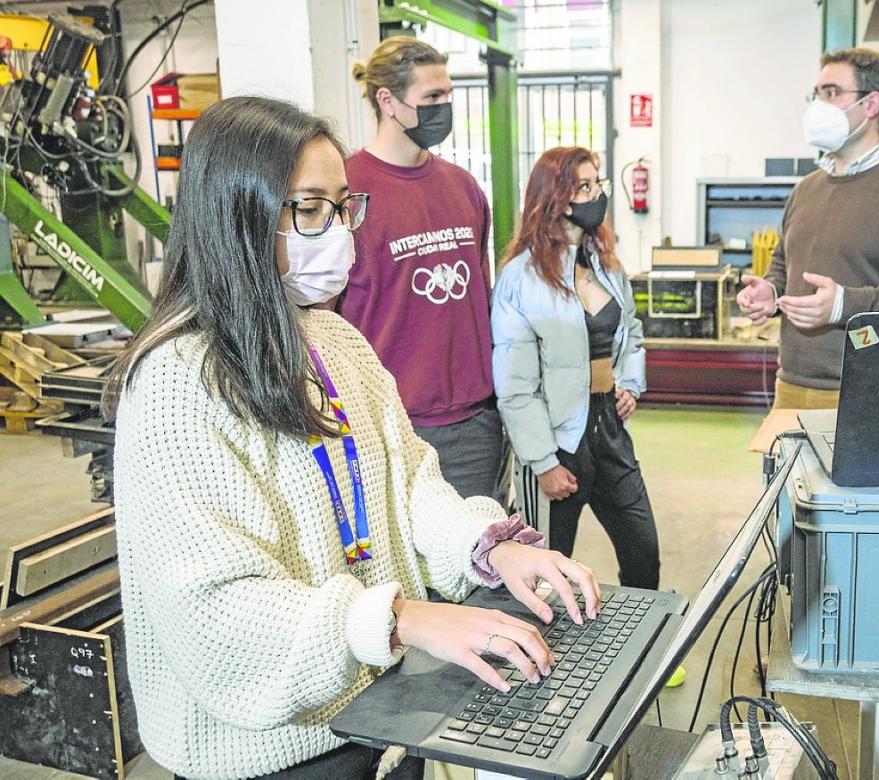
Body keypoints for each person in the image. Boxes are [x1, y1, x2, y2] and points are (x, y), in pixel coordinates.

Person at [105, 96, 600, 780]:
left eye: (343, 206)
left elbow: (408, 487)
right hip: (268, 751)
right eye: (308, 209)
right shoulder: (175, 384)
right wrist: (403, 621)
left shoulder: (334, 340)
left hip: (378, 707)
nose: (338, 231)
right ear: (235, 215)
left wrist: (488, 549)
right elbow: (214, 614)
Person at [737, 48, 879, 410]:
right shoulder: (807, 188)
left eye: (831, 93)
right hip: (792, 384)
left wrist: (847, 304)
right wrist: (771, 291)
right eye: (816, 95)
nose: (818, 106)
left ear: (871, 104)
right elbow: (785, 263)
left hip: (872, 392)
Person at [341, 37, 504, 500]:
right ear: (387, 101)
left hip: (472, 426)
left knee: (476, 566)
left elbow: (480, 295)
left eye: (447, 95)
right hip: (386, 429)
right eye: (431, 98)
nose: (444, 108)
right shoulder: (347, 191)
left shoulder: (464, 187)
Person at [492, 146, 660, 590]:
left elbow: (632, 332)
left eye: (598, 184)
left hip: (608, 428)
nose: (597, 195)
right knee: (545, 572)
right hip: (555, 439)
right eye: (585, 186)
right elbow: (514, 387)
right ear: (555, 197)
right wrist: (543, 461)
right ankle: (547, 656)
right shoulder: (521, 278)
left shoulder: (604, 265)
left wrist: (630, 383)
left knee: (644, 556)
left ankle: (642, 654)